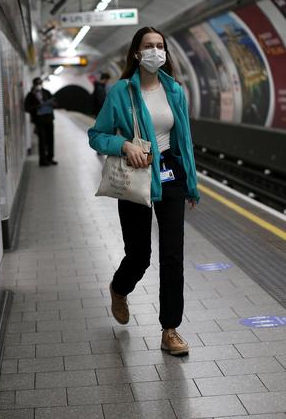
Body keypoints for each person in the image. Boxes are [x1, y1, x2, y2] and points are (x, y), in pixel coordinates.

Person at [87, 26, 200, 356]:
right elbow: (97, 135)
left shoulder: (174, 90)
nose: (155, 51)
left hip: (170, 175)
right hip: (136, 175)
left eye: (160, 46)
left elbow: (184, 141)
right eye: (148, 46)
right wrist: (123, 145)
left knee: (172, 253)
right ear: (136, 53)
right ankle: (119, 288)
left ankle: (170, 329)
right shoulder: (122, 91)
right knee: (140, 255)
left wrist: (191, 183)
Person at [24, 77, 57, 166]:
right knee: (42, 140)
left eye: (40, 83)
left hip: (49, 118)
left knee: (50, 139)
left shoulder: (47, 92)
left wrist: (51, 103)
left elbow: (55, 103)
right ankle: (43, 160)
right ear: (34, 84)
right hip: (39, 121)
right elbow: (27, 108)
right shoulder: (30, 95)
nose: (39, 85)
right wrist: (37, 107)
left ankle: (50, 158)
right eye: (37, 84)